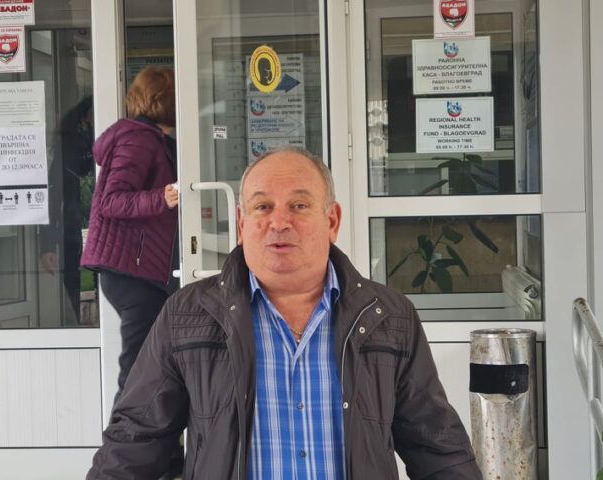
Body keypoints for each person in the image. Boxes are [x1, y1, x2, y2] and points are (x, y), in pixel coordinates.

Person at [87, 147, 482, 479]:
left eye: (299, 205)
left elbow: (438, 449)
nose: (279, 222)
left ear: (332, 221)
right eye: (262, 206)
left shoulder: (388, 317)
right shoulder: (188, 314)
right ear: (242, 224)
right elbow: (136, 439)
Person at [81, 67, 182, 477]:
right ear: (166, 101)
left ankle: (165, 459)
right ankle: (118, 466)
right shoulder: (138, 139)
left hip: (139, 271)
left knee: (154, 367)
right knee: (140, 373)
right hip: (130, 272)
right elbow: (112, 201)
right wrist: (162, 198)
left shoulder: (152, 138)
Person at [40, 95, 94, 325]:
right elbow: (53, 195)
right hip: (74, 225)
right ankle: (78, 327)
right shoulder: (70, 144)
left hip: (83, 223)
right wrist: (47, 245)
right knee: (74, 279)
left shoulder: (88, 140)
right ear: (85, 116)